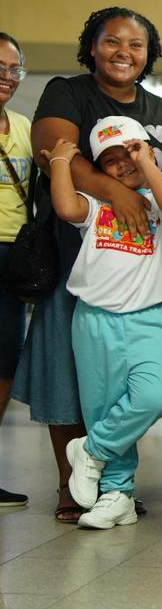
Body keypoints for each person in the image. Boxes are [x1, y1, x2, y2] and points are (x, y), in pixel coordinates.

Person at [22, 6, 162, 523]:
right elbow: (50, 149)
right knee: (77, 381)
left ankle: (101, 468)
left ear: (149, 54)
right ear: (92, 45)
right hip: (75, 260)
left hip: (143, 275)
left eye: (136, 45)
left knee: (142, 388)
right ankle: (77, 486)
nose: (124, 53)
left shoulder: (161, 112)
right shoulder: (68, 91)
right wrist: (117, 191)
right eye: (112, 42)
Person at [47, 117, 162, 529]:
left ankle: (90, 451)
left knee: (152, 397)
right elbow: (66, 206)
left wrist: (146, 163)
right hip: (94, 321)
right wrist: (60, 161)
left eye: (129, 153)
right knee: (104, 407)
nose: (122, 164)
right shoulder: (97, 205)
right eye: (110, 161)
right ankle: (117, 494)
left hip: (149, 320)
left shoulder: (160, 201)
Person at [0, 31, 30, 507]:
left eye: (12, 69)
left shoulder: (24, 126)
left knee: (4, 363)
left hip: (14, 258)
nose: (6, 78)